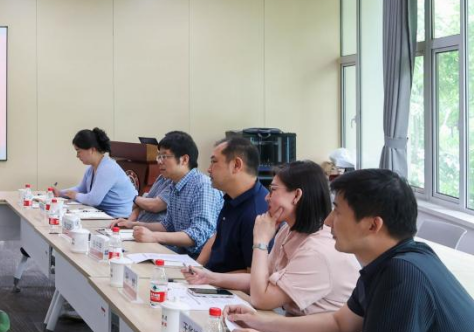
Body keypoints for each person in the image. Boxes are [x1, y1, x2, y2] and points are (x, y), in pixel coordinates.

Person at [226, 169, 473, 332]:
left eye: (338, 212)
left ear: (373, 225)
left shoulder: (404, 273)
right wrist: (262, 324)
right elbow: (339, 324)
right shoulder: (389, 262)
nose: (328, 221)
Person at [186, 161, 360, 314]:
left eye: (273, 190)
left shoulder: (317, 251)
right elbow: (261, 279)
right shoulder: (287, 231)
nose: (267, 197)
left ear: (297, 195)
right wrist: (210, 277)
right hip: (295, 325)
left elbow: (261, 299)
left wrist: (260, 241)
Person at [114, 131, 218, 257]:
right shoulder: (175, 185)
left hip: (201, 258)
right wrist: (132, 225)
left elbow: (198, 234)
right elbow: (167, 226)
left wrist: (153, 236)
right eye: (159, 156)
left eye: (164, 156)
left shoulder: (202, 185)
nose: (159, 161)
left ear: (184, 159)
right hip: (182, 252)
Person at [195, 136, 269, 273]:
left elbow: (252, 274)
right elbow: (218, 236)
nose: (209, 169)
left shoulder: (257, 214)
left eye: (214, 162)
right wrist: (195, 267)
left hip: (225, 284)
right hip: (211, 277)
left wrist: (208, 277)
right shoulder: (233, 196)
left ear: (236, 165)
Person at [59, 128, 137, 217]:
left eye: (79, 151)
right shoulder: (91, 169)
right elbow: (81, 189)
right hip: (104, 215)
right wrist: (60, 193)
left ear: (92, 150)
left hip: (119, 219)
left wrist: (75, 195)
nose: (77, 156)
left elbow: (93, 200)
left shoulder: (108, 168)